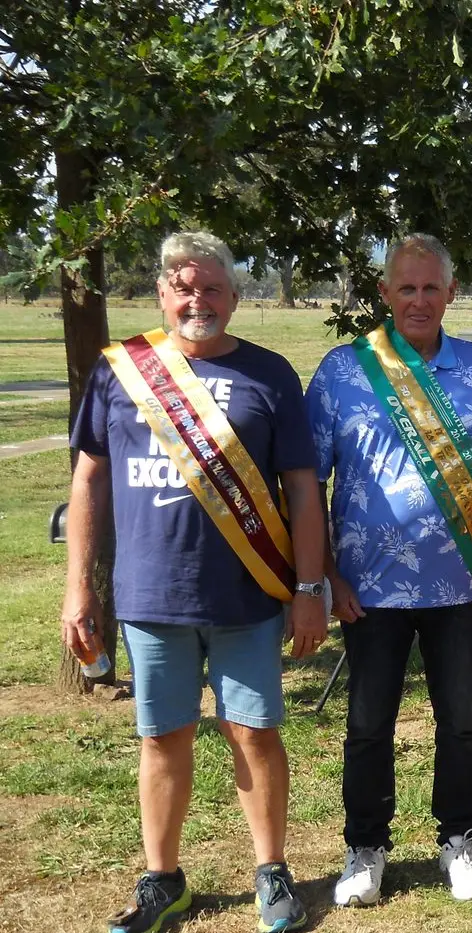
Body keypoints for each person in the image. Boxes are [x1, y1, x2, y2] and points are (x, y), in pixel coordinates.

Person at [63, 231, 326, 933]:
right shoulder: (121, 370)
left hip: (248, 597)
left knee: (257, 733)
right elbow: (88, 479)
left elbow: (302, 489)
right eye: (183, 287)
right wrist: (79, 588)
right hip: (151, 594)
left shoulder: (271, 375)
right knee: (162, 736)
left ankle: (272, 870)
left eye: (212, 288)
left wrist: (309, 588)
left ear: (235, 298)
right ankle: (163, 879)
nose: (197, 300)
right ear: (160, 294)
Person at [305, 233, 472, 906]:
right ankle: (365, 847)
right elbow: (306, 484)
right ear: (385, 293)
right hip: (368, 590)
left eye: (431, 288)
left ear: (451, 293)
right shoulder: (342, 371)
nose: (419, 300)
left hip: (461, 584)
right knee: (367, 723)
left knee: (461, 721)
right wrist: (328, 576)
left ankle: (461, 838)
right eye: (406, 288)